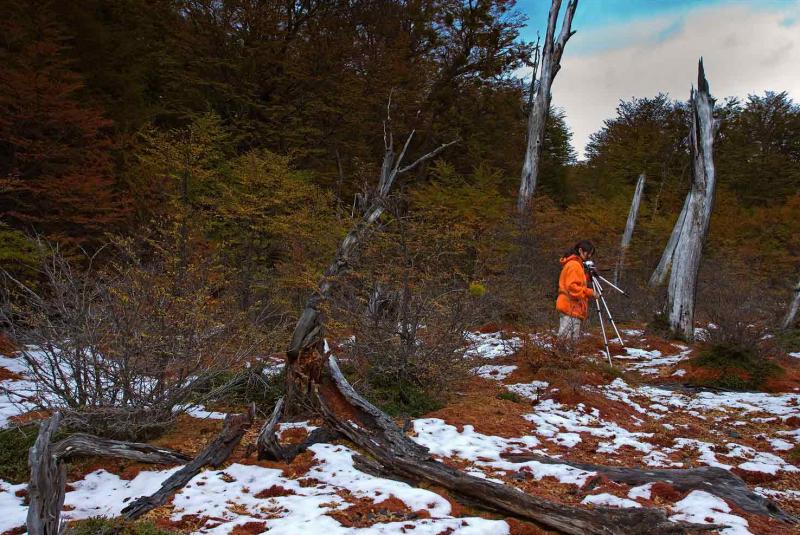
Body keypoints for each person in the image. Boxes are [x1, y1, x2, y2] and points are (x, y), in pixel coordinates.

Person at [556, 240, 596, 346]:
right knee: (565, 340)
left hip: (573, 308)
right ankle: (562, 360)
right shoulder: (574, 265)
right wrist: (590, 292)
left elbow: (577, 282)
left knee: (570, 341)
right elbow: (572, 287)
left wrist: (588, 276)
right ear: (580, 250)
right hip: (570, 307)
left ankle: (568, 360)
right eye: (589, 253)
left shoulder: (576, 265)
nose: (589, 256)